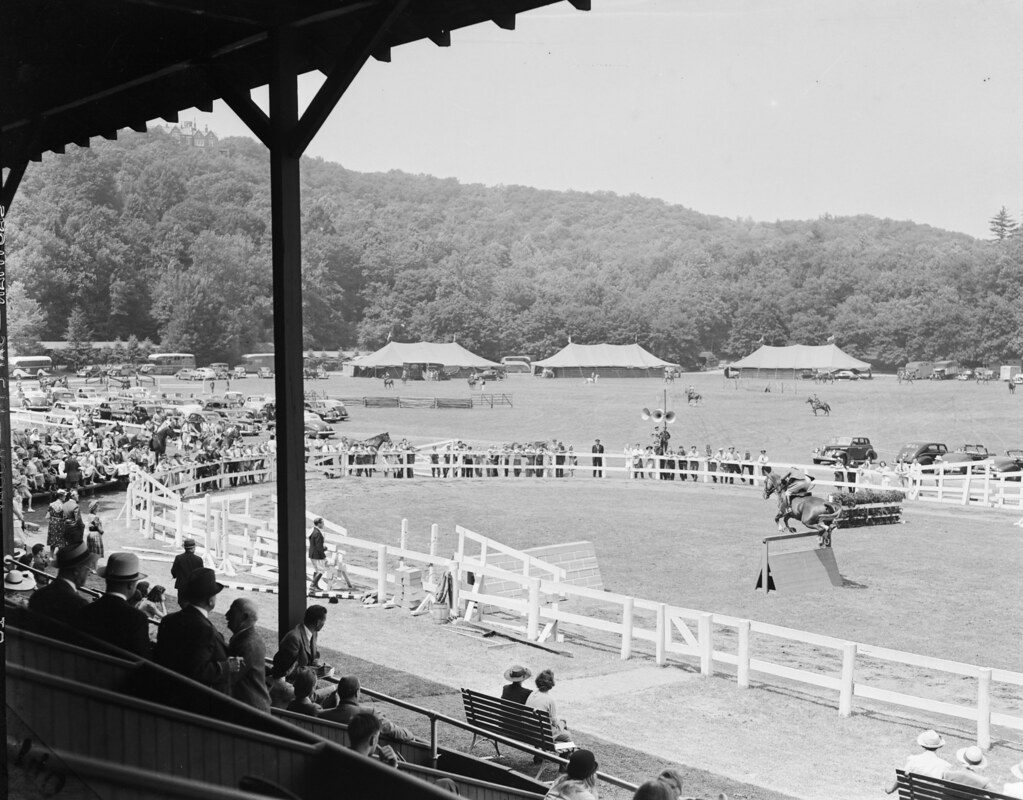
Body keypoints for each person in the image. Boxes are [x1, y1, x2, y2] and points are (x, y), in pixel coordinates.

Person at [153, 567, 240, 694]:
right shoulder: (204, 629)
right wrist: (226, 667)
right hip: (194, 700)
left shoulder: (168, 620)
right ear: (210, 600)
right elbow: (197, 670)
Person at [76, 552, 152, 657]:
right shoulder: (137, 618)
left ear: (107, 580)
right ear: (130, 585)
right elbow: (143, 658)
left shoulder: (85, 610)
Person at [320, 675, 416, 741]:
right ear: (357, 693)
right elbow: (396, 732)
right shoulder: (370, 713)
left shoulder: (322, 714)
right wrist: (411, 735)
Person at [28, 542, 95, 626]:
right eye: (87, 569)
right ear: (77, 570)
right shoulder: (79, 605)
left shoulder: (37, 595)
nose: (88, 573)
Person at [226, 597, 272, 713]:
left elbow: (231, 678)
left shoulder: (248, 643)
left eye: (232, 611)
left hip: (252, 712)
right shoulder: (245, 638)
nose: (227, 615)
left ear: (245, 617)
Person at [271, 604, 328, 683]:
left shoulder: (314, 633)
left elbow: (311, 657)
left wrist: (318, 665)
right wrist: (316, 671)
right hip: (291, 686)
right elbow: (287, 670)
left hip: (306, 684)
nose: (324, 624)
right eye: (324, 621)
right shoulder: (293, 638)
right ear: (318, 623)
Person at [884, 729, 952, 793]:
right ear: (938, 746)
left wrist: (891, 790)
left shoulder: (913, 760)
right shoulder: (945, 766)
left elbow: (903, 777)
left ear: (922, 745)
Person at [525, 668, 571, 742]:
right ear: (551, 683)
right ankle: (565, 753)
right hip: (542, 734)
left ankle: (539, 752)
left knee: (562, 725)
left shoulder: (532, 693)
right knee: (567, 734)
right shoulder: (550, 699)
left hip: (529, 730)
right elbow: (555, 723)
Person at [171, 538, 203, 605]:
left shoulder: (178, 558)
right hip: (194, 587)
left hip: (182, 586)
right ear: (193, 548)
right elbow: (201, 574)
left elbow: (173, 570)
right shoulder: (199, 559)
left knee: (182, 602)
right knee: (193, 604)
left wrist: (175, 575)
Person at [45, 489, 67, 558]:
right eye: (64, 496)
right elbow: (65, 516)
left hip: (52, 523)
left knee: (53, 540)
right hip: (60, 524)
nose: (65, 497)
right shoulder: (63, 506)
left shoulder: (51, 504)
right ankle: (61, 556)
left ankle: (51, 556)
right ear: (61, 496)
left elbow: (47, 515)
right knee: (61, 541)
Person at [308, 517, 327, 592]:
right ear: (319, 523)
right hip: (317, 555)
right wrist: (324, 555)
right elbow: (319, 547)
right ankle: (313, 585)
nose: (323, 524)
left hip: (312, 554)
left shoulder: (312, 531)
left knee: (316, 570)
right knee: (321, 571)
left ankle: (315, 585)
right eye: (322, 523)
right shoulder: (318, 533)